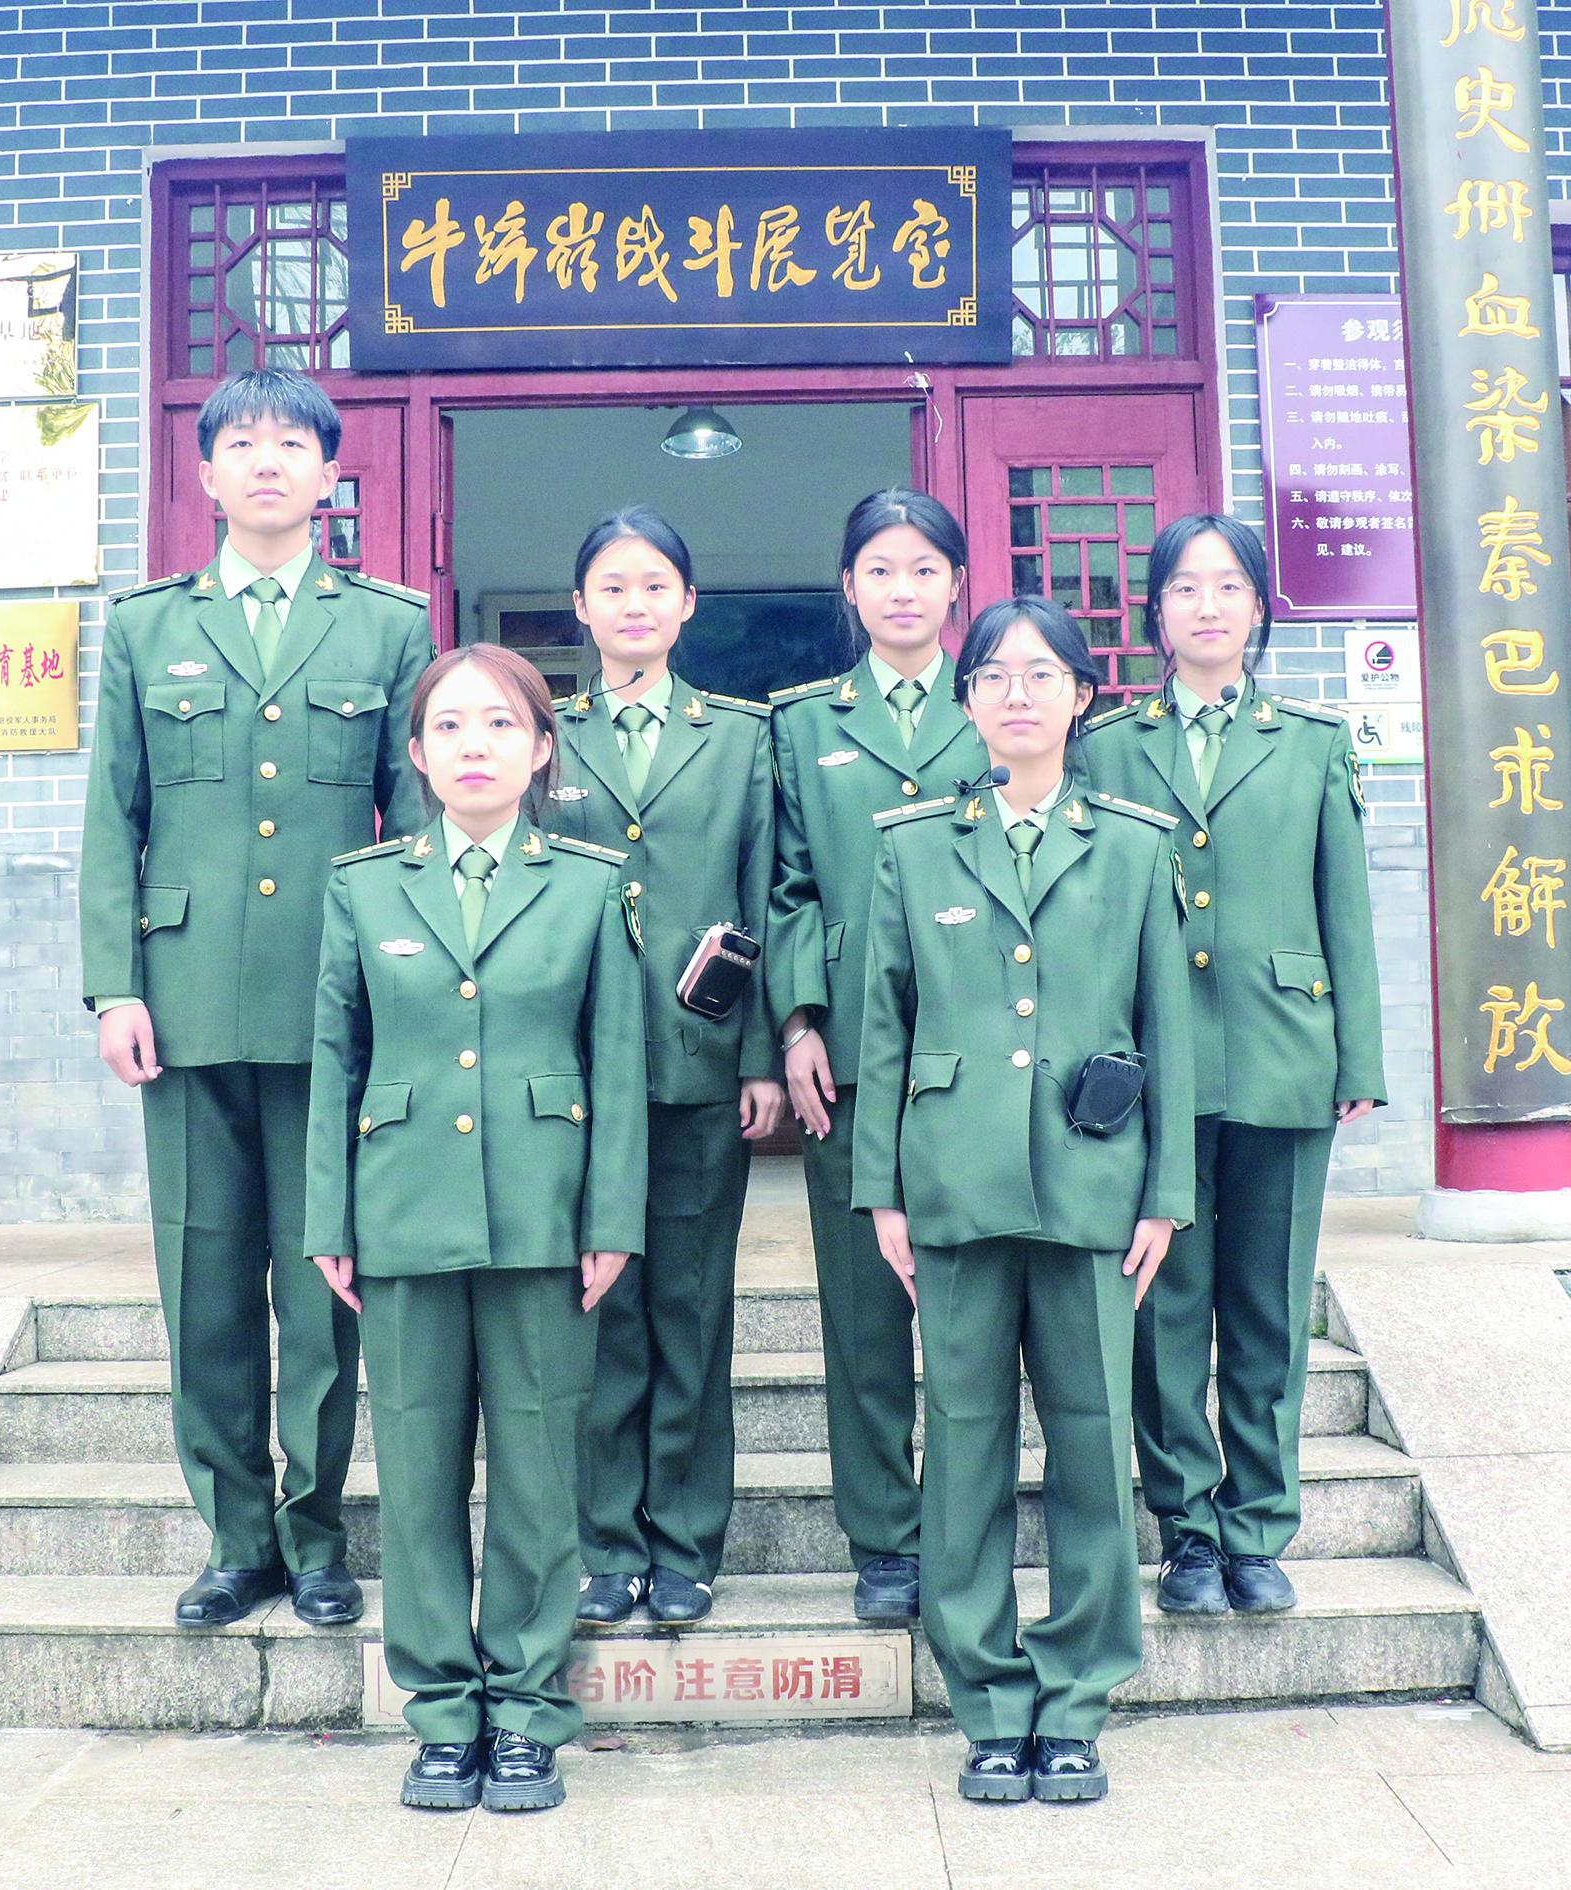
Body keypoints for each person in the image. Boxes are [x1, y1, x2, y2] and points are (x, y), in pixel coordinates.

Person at [78, 366, 432, 1631]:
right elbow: (112, 818)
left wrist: (413, 997)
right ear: (206, 474)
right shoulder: (144, 628)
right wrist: (111, 987)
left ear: (331, 473)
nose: (268, 459)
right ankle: (237, 1540)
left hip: (336, 1007)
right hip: (181, 1006)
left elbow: (416, 824)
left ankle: (317, 1534)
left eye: (293, 442)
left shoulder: (386, 626)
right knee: (206, 1279)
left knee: (323, 1282)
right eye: (243, 442)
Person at [856, 595, 1194, 1805]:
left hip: (1093, 1185)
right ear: (967, 701)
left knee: (1094, 1442)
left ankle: (1079, 1697)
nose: (1017, 693)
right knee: (963, 1448)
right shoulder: (912, 845)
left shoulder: (1136, 845)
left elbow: (1167, 1026)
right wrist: (882, 1190)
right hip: (953, 1181)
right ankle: (991, 1703)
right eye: (994, 674)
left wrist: (1166, 1193)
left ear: (1082, 696)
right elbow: (883, 1024)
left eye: (1042, 674)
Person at [304, 643, 647, 1814]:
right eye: (449, 726)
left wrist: (611, 1216)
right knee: (416, 1477)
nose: (474, 747)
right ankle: (444, 1716)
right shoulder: (364, 887)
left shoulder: (591, 885)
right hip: (401, 1210)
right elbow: (336, 1058)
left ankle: (529, 1713)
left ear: (542, 748)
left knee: (540, 1477)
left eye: (501, 724)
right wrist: (328, 1217)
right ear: (416, 752)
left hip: (546, 1212)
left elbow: (617, 1059)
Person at [1082, 513, 1385, 1618]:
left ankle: (1257, 1529)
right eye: (1184, 587)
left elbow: (1344, 905)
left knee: (1266, 1305)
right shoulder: (1107, 746)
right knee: (1166, 1304)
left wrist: (1359, 1055)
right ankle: (1186, 1531)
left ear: (1259, 606)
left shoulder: (1311, 742)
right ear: (1155, 611)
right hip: (1153, 1070)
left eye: (1226, 587)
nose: (1206, 606)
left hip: (1282, 1055)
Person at [545, 506, 784, 1627]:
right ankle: (607, 1543)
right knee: (600, 1307)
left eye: (654, 585)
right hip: (574, 1071)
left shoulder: (741, 736)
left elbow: (767, 893)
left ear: (688, 604)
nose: (633, 604)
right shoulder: (543, 731)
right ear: (580, 606)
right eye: (612, 586)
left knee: (689, 1309)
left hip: (699, 1063)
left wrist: (760, 1053)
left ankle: (686, 1542)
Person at [767, 488, 986, 1622]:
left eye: (924, 569)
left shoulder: (999, 702)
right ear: (849, 588)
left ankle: (961, 1529)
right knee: (862, 1316)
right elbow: (786, 886)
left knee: (966, 1309)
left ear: (957, 585)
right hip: (848, 1054)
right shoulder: (801, 724)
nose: (904, 590)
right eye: (881, 570)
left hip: (978, 1051)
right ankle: (884, 1542)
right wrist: (797, 1023)